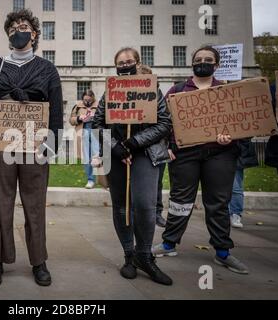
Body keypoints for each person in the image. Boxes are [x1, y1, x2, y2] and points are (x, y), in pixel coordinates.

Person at [0, 9, 63, 287]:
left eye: (24, 27)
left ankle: (39, 261)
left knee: (34, 206)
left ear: (34, 34)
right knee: (1, 205)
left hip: (34, 147)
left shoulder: (47, 69)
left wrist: (52, 144)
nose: (18, 31)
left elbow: (56, 110)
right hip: (2, 147)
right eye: (13, 28)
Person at [152, 46, 249, 275]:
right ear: (192, 64)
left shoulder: (227, 91)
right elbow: (163, 122)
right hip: (185, 154)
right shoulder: (177, 90)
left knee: (218, 203)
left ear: (216, 65)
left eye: (208, 59)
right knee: (180, 200)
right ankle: (169, 244)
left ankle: (222, 251)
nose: (202, 62)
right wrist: (166, 146)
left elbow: (240, 123)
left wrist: (231, 137)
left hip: (220, 154)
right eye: (198, 59)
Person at [93, 47, 173, 286]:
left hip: (144, 153)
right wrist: (116, 147)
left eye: (129, 61)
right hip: (116, 155)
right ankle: (129, 255)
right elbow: (98, 123)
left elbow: (164, 123)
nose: (125, 65)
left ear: (138, 64)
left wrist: (134, 142)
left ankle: (145, 256)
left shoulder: (153, 89)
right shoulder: (109, 93)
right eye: (120, 63)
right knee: (121, 206)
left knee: (144, 205)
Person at [69, 89, 100, 189]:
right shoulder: (77, 106)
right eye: (85, 100)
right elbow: (71, 120)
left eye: (89, 100)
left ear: (93, 98)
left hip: (96, 132)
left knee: (98, 156)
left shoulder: (99, 105)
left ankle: (103, 180)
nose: (87, 102)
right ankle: (90, 180)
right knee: (87, 158)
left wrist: (94, 117)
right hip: (83, 132)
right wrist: (79, 118)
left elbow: (105, 118)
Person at [229, 139, 258, 228]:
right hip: (219, 150)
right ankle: (224, 214)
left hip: (237, 150)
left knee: (235, 186)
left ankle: (235, 214)